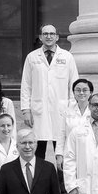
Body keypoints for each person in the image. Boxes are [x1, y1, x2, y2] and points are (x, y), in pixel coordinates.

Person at [19, 25, 79, 160]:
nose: (49, 36)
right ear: (40, 37)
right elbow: (26, 85)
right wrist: (26, 110)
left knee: (62, 152)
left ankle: (61, 180)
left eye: (52, 33)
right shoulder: (32, 57)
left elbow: (73, 85)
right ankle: (39, 180)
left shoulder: (67, 57)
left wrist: (72, 109)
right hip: (39, 111)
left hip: (62, 110)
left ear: (57, 37)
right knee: (38, 151)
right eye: (45, 34)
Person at [54, 77, 94, 165]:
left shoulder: (95, 112)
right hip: (70, 154)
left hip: (90, 154)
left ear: (90, 93)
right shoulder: (67, 111)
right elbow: (61, 134)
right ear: (74, 93)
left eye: (85, 90)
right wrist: (59, 155)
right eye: (78, 90)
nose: (81, 93)